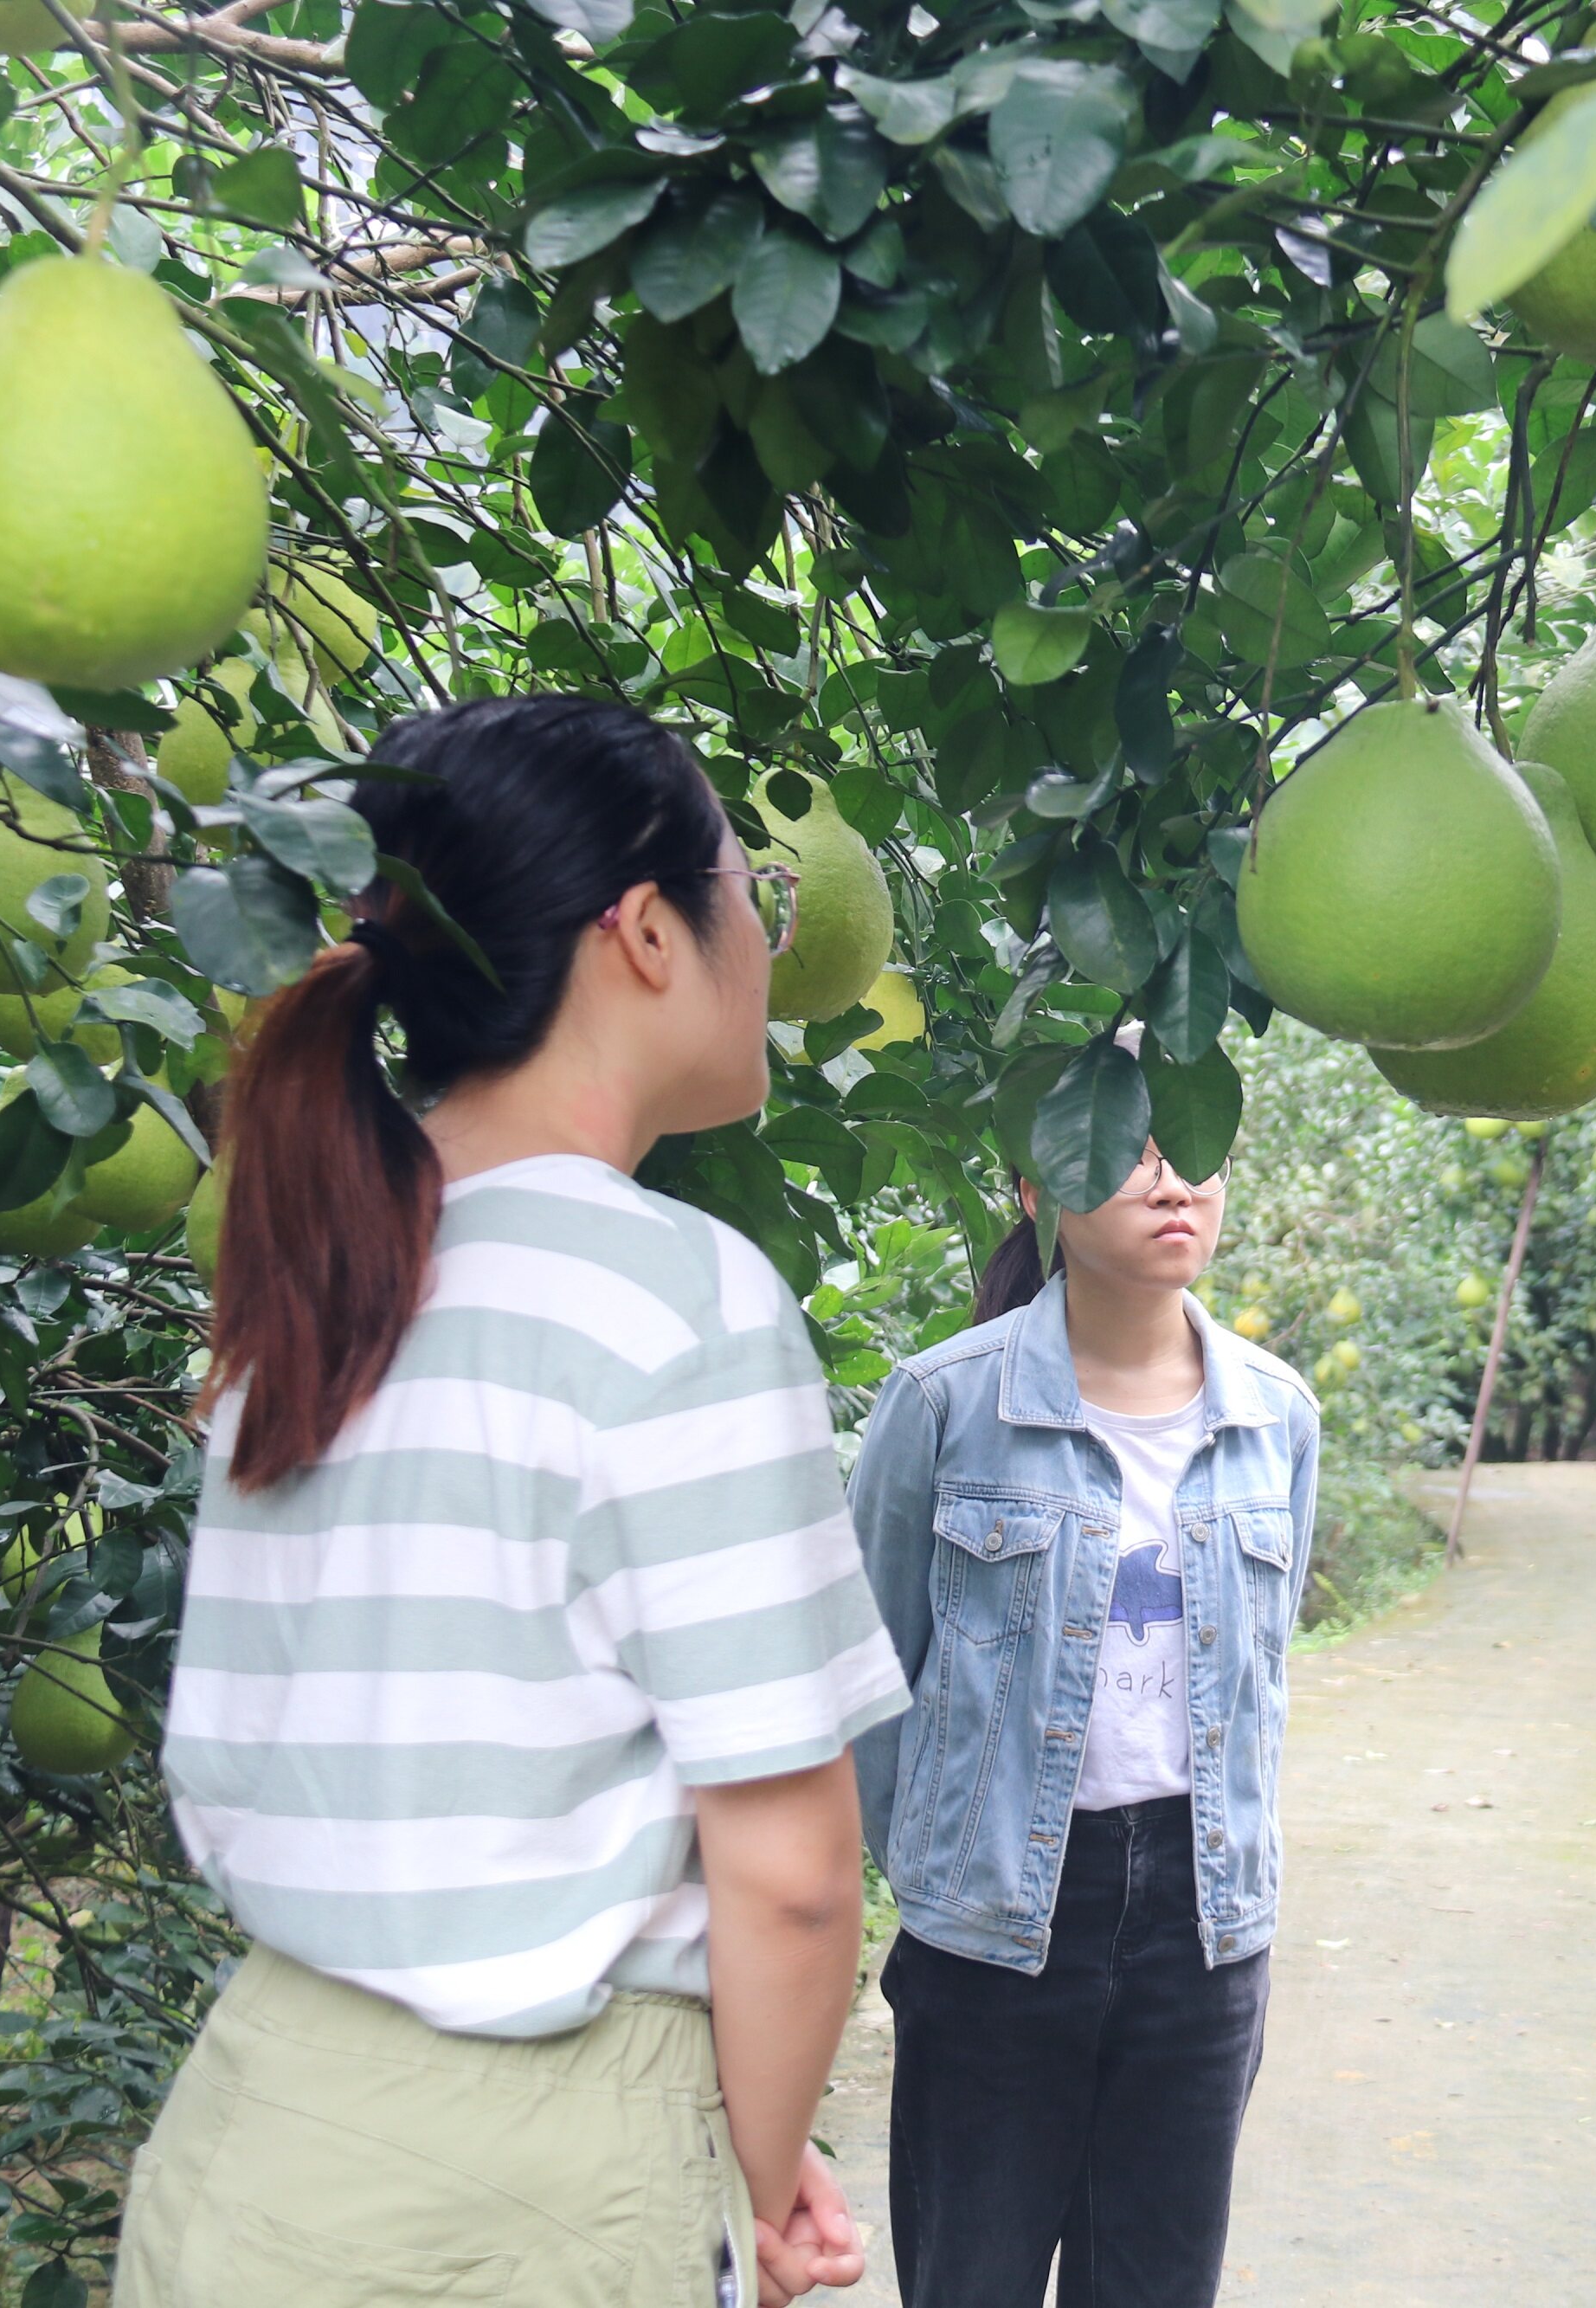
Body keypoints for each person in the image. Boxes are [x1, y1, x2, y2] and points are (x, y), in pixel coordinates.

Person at [115, 697, 908, 2308]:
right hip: (515, 2188)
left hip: (255, 2124)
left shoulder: (320, 1280)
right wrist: (751, 2177)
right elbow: (795, 1871)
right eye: (757, 893)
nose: (769, 936)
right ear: (643, 934)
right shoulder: (670, 1296)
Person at [845, 1112, 1320, 2308]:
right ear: (1034, 1183)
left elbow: (1262, 1689)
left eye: (1197, 1143)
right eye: (1132, 1146)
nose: (1175, 1178)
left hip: (1203, 1929)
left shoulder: (1278, 1416)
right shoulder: (946, 1404)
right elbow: (863, 1683)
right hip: (997, 1927)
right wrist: (939, 1875)